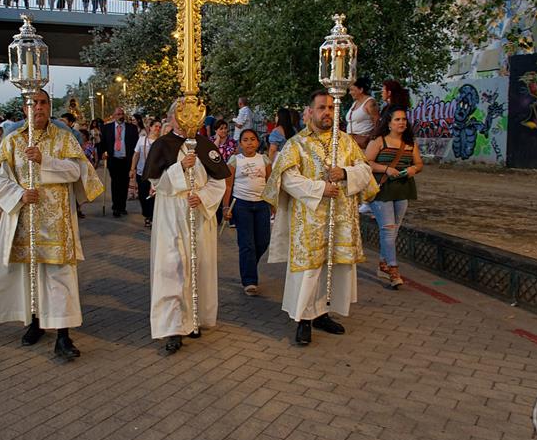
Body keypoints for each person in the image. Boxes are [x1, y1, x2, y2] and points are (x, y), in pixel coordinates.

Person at [0, 90, 103, 358]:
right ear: (24, 108)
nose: (38, 107)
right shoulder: (12, 141)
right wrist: (19, 194)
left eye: (43, 102)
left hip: (57, 222)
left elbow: (77, 170)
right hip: (25, 219)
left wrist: (44, 162)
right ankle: (35, 322)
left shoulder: (64, 137)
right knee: (30, 275)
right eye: (32, 103)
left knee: (60, 278)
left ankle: (63, 336)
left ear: (49, 106)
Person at [263, 90, 373, 345]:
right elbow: (287, 179)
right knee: (309, 271)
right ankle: (303, 319)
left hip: (340, 218)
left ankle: (322, 312)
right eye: (322, 107)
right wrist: (321, 188)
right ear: (309, 112)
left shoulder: (345, 142)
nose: (327, 112)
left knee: (332, 267)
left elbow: (365, 171)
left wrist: (345, 173)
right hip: (309, 220)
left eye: (332, 108)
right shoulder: (296, 144)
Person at [143, 101, 230, 353]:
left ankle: (194, 319)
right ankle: (173, 327)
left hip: (199, 213)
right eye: (182, 115)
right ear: (172, 118)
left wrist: (202, 197)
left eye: (193, 115)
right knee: (173, 269)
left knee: (198, 266)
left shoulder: (205, 145)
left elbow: (219, 181)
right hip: (171, 214)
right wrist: (179, 168)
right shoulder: (162, 144)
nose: (187, 120)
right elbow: (156, 182)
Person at [365, 106, 423, 288]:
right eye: (397, 119)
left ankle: (383, 264)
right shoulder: (379, 141)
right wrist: (386, 169)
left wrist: (414, 169)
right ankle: (393, 269)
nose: (401, 123)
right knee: (388, 229)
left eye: (403, 119)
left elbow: (419, 163)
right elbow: (366, 162)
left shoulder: (410, 143)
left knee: (393, 230)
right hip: (382, 189)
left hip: (402, 188)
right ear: (388, 123)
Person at [223, 129, 272, 295]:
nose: (249, 143)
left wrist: (273, 204)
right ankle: (250, 281)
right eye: (245, 140)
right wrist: (225, 207)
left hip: (262, 205)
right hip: (241, 205)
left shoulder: (264, 160)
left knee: (263, 241)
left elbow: (269, 183)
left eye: (252, 139)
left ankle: (248, 265)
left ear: (258, 142)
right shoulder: (235, 160)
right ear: (240, 143)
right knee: (247, 244)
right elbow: (228, 185)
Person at [100, 107, 138, 217]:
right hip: (114, 159)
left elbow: (135, 145)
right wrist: (103, 152)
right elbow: (103, 143)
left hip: (126, 159)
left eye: (122, 114)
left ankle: (122, 206)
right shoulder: (107, 128)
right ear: (114, 116)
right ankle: (115, 207)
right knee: (115, 183)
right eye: (118, 114)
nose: (120, 116)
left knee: (124, 183)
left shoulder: (132, 128)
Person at [131, 118, 161, 227]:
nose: (157, 128)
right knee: (143, 195)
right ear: (150, 127)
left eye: (159, 127)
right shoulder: (142, 139)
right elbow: (136, 155)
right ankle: (147, 215)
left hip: (156, 174)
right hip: (142, 172)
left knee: (153, 195)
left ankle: (152, 217)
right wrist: (132, 169)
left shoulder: (161, 141)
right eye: (156, 126)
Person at [346, 76, 379, 150]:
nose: (350, 93)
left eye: (352, 90)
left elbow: (377, 122)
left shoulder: (370, 103)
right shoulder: (355, 103)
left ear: (361, 90)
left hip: (363, 142)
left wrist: (371, 140)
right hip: (351, 141)